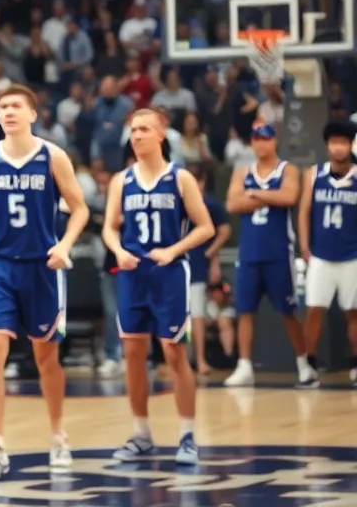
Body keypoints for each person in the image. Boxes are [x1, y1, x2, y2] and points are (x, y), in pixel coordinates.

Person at [0, 85, 88, 483]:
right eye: (3, 107)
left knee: (45, 358)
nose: (9, 112)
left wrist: (66, 245)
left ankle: (58, 434)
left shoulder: (53, 156)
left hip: (42, 267)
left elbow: (80, 209)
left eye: (17, 106)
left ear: (33, 114)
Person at [103, 109, 214, 465]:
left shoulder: (180, 178)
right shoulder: (121, 180)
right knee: (133, 355)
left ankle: (186, 435)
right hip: (133, 276)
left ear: (161, 135)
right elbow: (109, 227)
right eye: (133, 129)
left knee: (174, 352)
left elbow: (205, 227)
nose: (136, 136)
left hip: (168, 275)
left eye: (144, 129)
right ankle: (141, 434)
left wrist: (173, 250)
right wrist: (119, 251)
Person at [223, 123, 315, 387]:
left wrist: (254, 194)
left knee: (287, 310)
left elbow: (289, 196)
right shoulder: (242, 171)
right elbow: (232, 203)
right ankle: (244, 365)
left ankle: (303, 363)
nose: (261, 143)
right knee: (245, 310)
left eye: (266, 138)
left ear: (275, 141)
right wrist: (267, 197)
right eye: (256, 139)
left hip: (278, 251)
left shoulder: (288, 169)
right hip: (249, 251)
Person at [300, 120, 357, 387]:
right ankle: (308, 366)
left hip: (352, 256)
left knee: (353, 313)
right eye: (333, 142)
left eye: (343, 142)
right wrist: (304, 246)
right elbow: (303, 212)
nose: (338, 147)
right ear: (326, 145)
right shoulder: (314, 174)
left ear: (350, 145)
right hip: (321, 255)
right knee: (313, 310)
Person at [188, 164, 230, 377]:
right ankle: (185, 361)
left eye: (198, 180)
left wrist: (210, 253)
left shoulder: (211, 205)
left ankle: (201, 360)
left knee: (197, 313)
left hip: (198, 265)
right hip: (178, 263)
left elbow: (224, 231)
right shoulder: (179, 203)